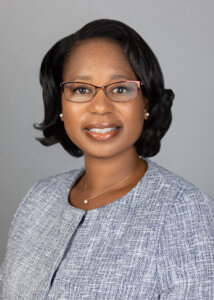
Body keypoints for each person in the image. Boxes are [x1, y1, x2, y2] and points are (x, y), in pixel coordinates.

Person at [0, 19, 213, 299]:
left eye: (121, 88)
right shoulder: (39, 198)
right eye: (81, 89)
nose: (100, 107)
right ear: (61, 104)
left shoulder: (183, 212)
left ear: (145, 101)